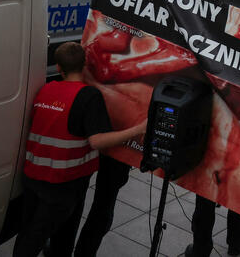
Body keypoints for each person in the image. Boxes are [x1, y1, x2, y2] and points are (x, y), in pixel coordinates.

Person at [13, 42, 146, 257]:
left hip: (33, 176)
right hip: (63, 183)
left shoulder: (47, 89)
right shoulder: (88, 97)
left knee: (30, 231)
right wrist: (138, 130)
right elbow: (97, 141)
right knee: (38, 238)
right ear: (85, 65)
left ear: (58, 67)